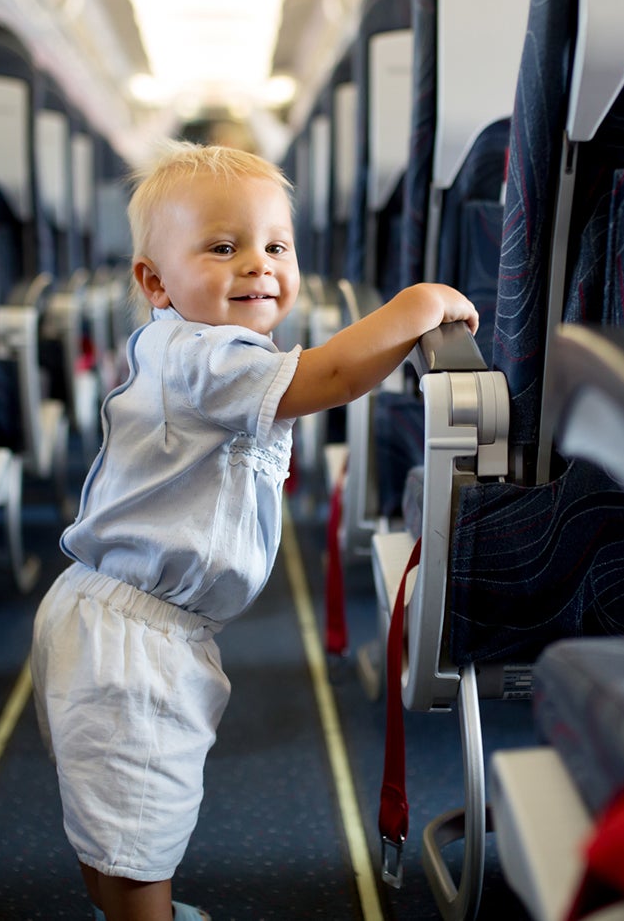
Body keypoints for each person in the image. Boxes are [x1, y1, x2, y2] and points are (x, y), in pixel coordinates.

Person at [30, 141, 478, 921]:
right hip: (133, 641)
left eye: (276, 245)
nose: (257, 265)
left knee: (118, 833)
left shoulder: (193, 349)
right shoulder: (206, 357)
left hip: (119, 619)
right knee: (136, 840)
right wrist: (416, 307)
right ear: (153, 280)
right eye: (223, 247)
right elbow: (332, 377)